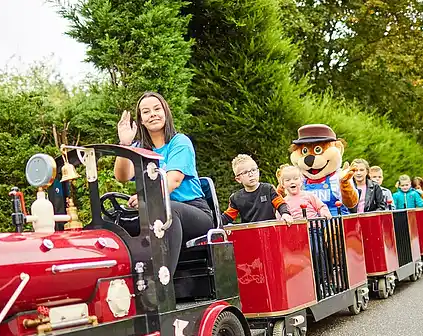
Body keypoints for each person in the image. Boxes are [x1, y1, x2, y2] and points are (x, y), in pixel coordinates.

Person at [114, 92, 214, 275]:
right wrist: (124, 145)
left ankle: (162, 283)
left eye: (157, 109)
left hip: (193, 211)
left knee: (167, 211)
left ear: (165, 112)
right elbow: (122, 176)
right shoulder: (139, 149)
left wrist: (145, 198)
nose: (152, 114)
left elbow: (173, 180)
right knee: (115, 218)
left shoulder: (180, 142)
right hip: (154, 212)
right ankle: (125, 279)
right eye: (146, 112)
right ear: (141, 120)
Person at [221, 154, 294, 225]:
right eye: (245, 172)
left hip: (270, 230)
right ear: (238, 179)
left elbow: (281, 204)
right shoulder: (236, 198)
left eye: (253, 170)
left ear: (258, 171)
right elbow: (227, 217)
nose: (251, 174)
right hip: (250, 231)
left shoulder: (268, 189)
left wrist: (285, 214)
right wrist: (215, 222)